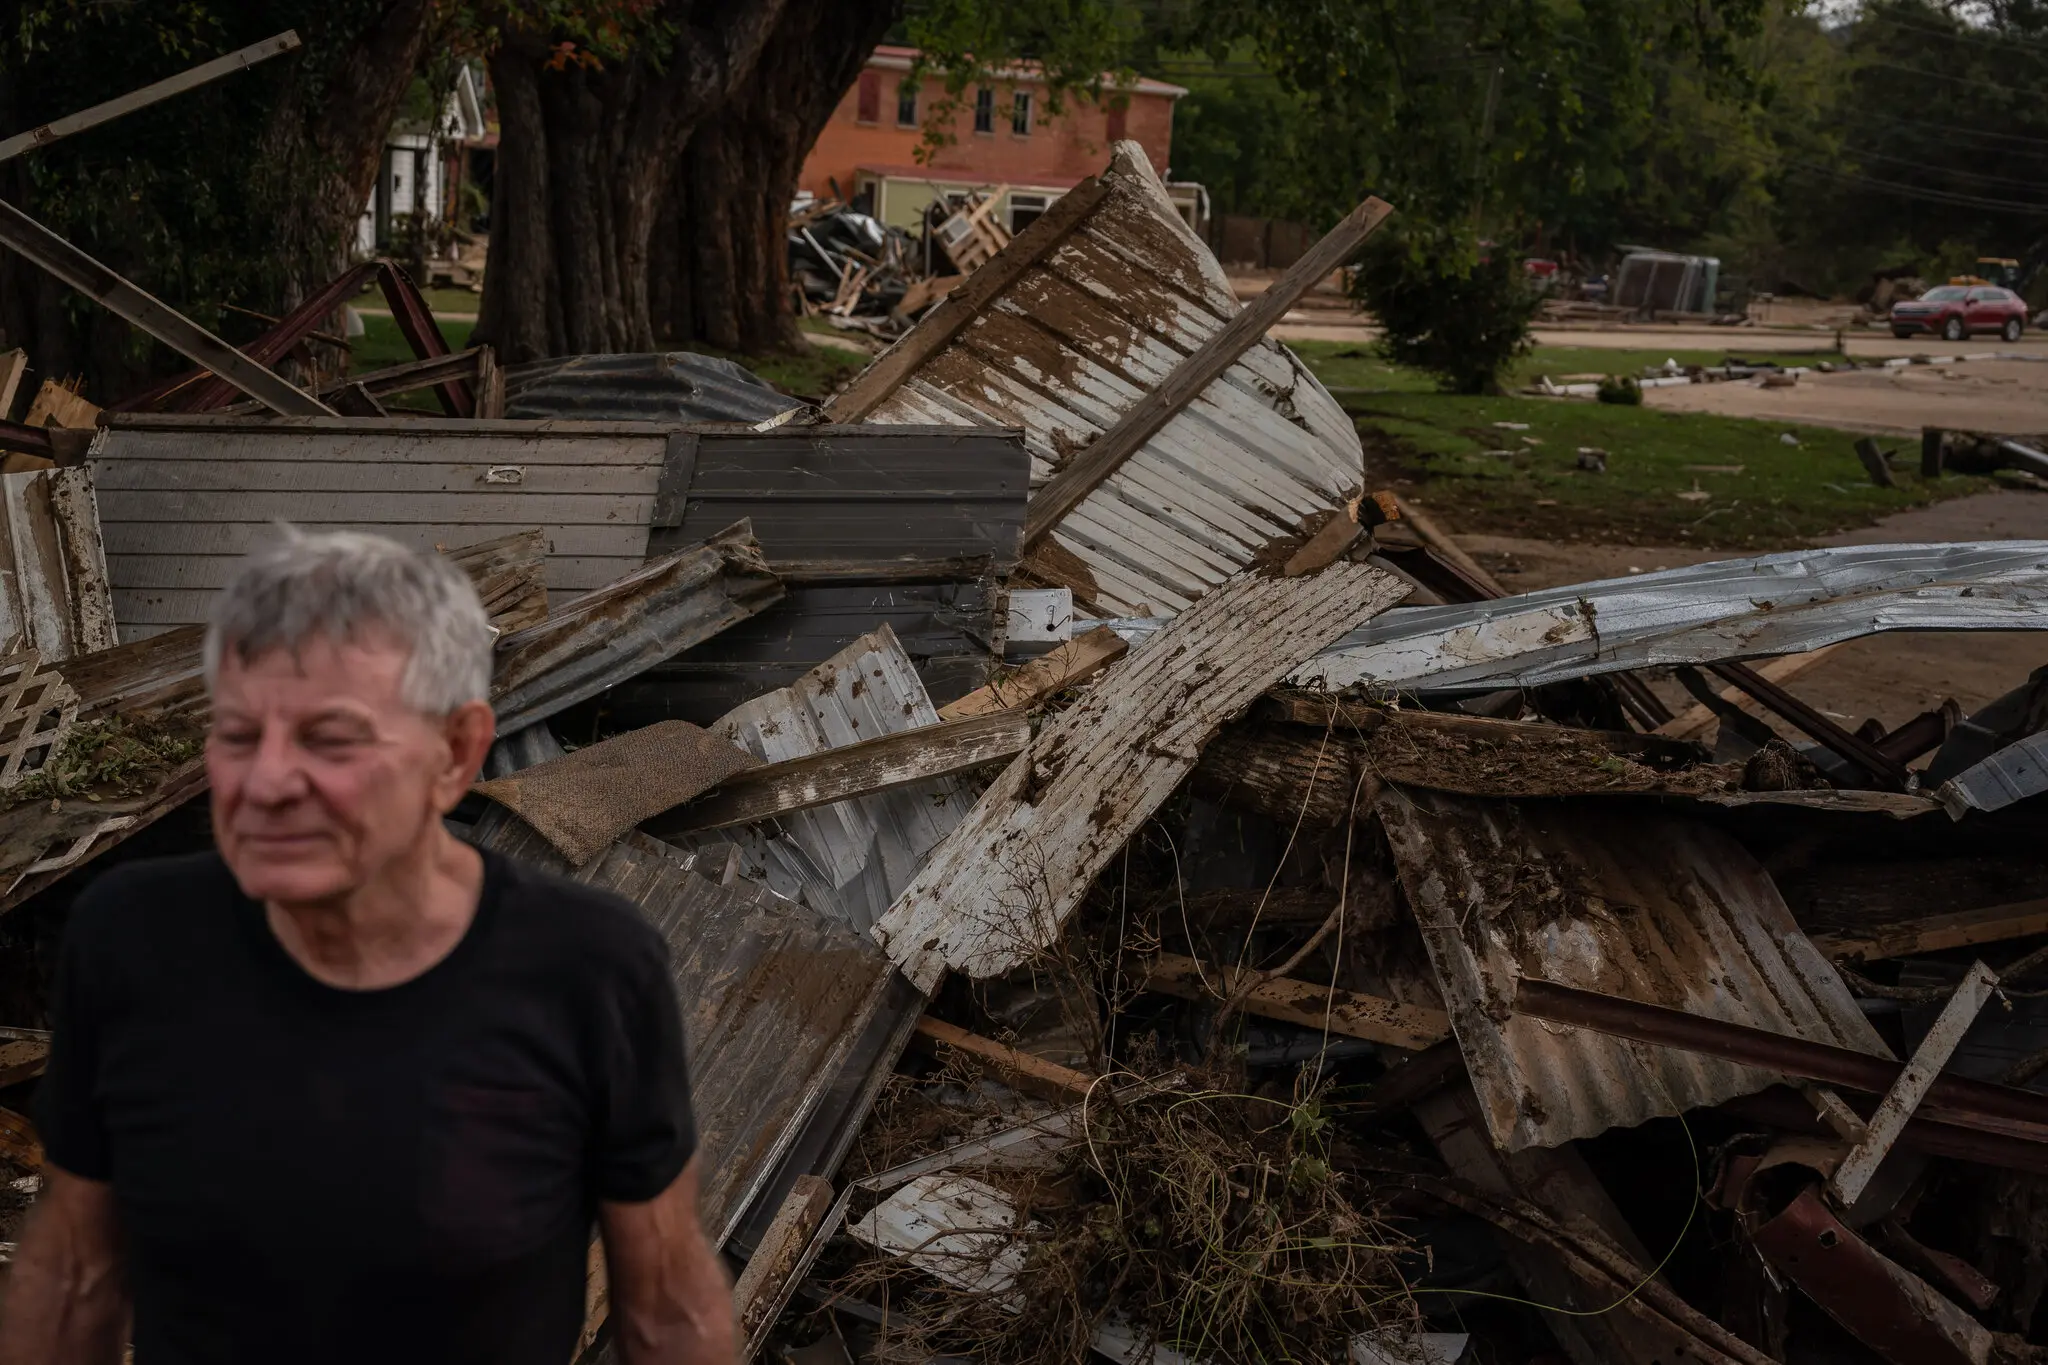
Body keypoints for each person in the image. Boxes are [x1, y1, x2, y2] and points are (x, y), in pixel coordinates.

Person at [0, 529, 737, 1365]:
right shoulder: (134, 938)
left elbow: (669, 1305)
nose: (268, 781)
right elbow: (73, 1270)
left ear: (455, 752)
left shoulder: (588, 967)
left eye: (332, 738)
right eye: (240, 734)